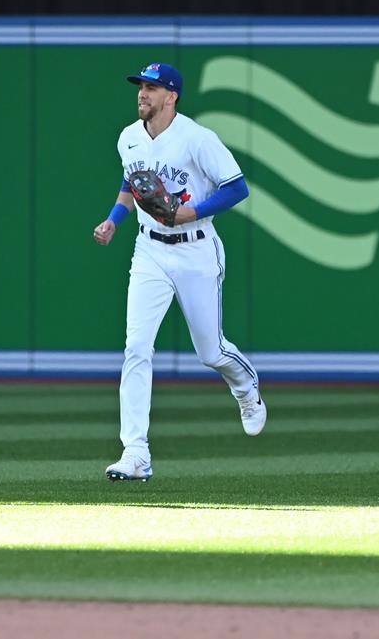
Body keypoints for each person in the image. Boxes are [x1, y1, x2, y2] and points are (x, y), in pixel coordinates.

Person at [93, 63, 266, 481]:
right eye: (140, 87)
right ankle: (135, 453)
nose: (142, 94)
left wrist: (194, 210)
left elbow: (237, 186)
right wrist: (115, 218)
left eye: (151, 88)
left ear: (172, 96)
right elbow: (131, 184)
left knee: (210, 352)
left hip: (196, 251)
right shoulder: (129, 137)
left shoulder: (196, 138)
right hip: (149, 251)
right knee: (137, 347)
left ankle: (246, 389)